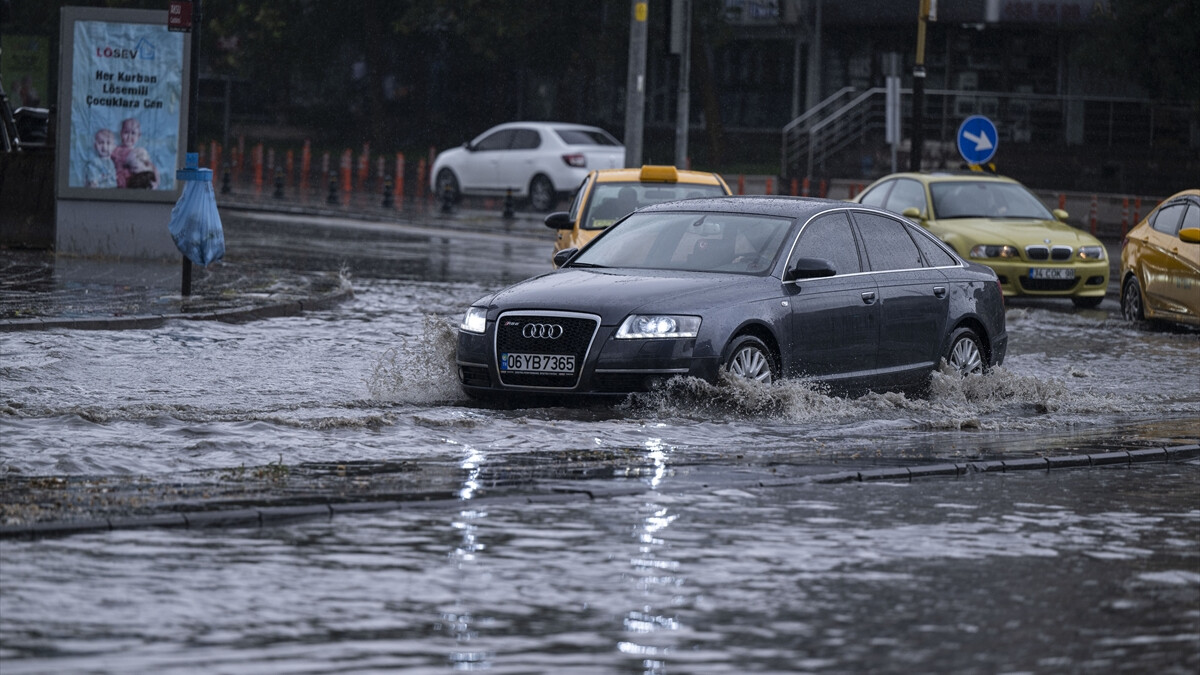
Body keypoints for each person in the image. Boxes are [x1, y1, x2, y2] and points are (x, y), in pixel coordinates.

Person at [111, 117, 159, 188]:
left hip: (137, 180)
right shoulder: (116, 150)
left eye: (133, 133)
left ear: (138, 136)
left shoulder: (139, 151)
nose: (129, 136)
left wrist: (156, 182)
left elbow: (151, 166)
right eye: (126, 132)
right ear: (121, 133)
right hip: (121, 182)